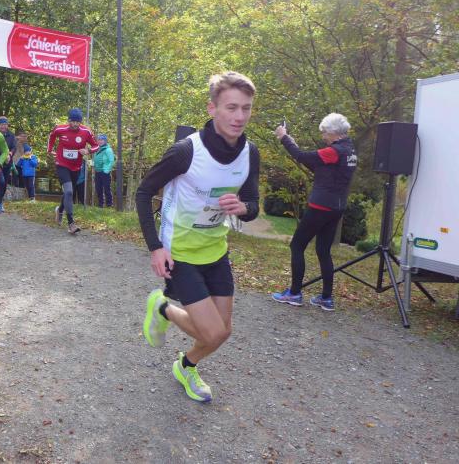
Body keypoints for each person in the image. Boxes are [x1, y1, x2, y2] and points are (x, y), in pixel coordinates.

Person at [136, 71, 260, 403]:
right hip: (181, 253)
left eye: (246, 108)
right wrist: (155, 248)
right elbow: (144, 192)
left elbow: (253, 204)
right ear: (212, 108)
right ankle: (163, 308)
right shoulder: (186, 151)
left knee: (223, 331)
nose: (239, 116)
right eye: (231, 107)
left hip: (216, 250)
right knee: (213, 331)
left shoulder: (250, 153)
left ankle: (186, 365)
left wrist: (243, 208)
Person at [271, 113, 357, 311]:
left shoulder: (334, 151)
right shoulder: (350, 151)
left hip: (320, 207)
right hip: (337, 207)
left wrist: (284, 138)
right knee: (323, 250)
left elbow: (302, 157)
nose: (323, 136)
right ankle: (326, 298)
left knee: (297, 245)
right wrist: (292, 143)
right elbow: (317, 165)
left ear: (334, 132)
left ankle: (294, 293)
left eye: (325, 132)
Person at [47, 108, 98, 234]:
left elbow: (96, 145)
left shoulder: (86, 132)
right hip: (62, 164)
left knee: (69, 192)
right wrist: (50, 150)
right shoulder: (60, 129)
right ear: (68, 120)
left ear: (80, 122)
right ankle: (71, 223)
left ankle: (59, 210)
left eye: (77, 122)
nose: (75, 124)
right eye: (72, 121)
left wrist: (88, 151)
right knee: (69, 191)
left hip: (76, 166)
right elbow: (52, 136)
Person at [0, 116, 17, 213]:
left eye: (5, 124)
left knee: (4, 184)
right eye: (1, 124)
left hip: (8, 162)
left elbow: (14, 147)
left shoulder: (11, 135)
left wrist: (10, 154)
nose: (3, 126)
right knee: (1, 181)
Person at [93, 133, 115, 207]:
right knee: (98, 188)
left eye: (102, 140)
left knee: (106, 188)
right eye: (99, 140)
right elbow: (96, 159)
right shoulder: (97, 149)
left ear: (105, 141)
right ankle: (100, 204)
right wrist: (92, 163)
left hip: (105, 172)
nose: (100, 141)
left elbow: (112, 161)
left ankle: (109, 204)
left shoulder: (108, 150)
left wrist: (106, 171)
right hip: (98, 171)